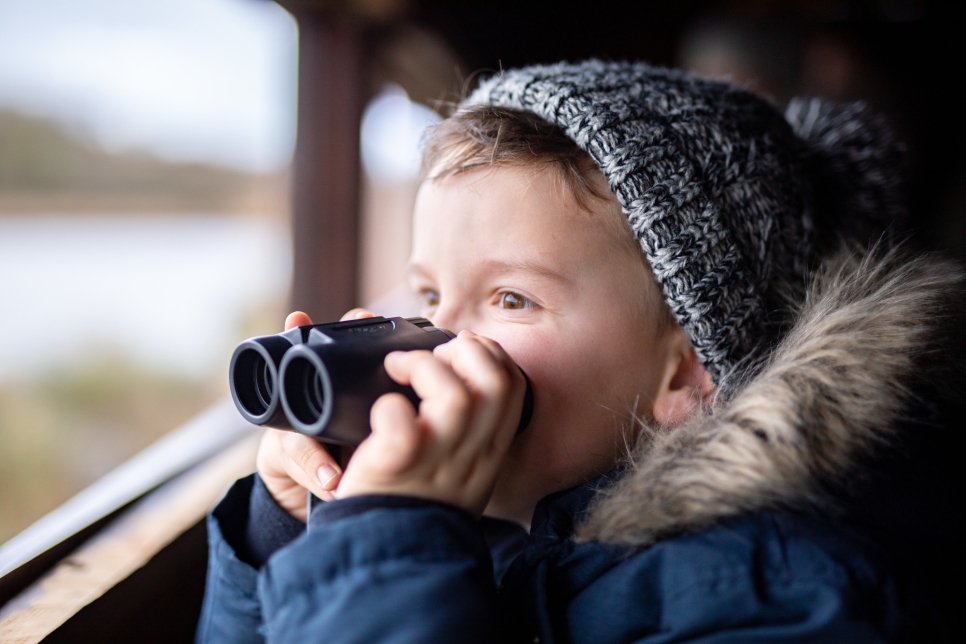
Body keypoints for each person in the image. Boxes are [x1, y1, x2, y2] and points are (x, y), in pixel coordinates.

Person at [196, 61, 963, 643]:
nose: (439, 344)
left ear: (686, 368)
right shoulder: (501, 529)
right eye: (428, 299)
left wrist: (386, 543)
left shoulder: (786, 594)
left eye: (511, 300)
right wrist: (289, 530)